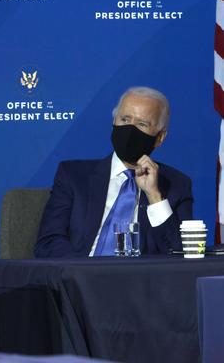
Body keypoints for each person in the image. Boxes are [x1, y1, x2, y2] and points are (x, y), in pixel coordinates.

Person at [34, 86, 193, 258]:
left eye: (142, 124)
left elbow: (179, 254)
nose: (131, 130)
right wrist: (84, 273)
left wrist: (155, 197)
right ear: (113, 124)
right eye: (125, 119)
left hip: (139, 282)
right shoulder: (73, 176)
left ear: (160, 137)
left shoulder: (176, 185)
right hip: (79, 278)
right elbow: (48, 242)